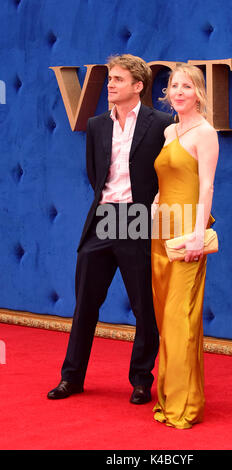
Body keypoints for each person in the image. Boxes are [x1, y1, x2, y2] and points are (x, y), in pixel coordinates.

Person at [47, 54, 173, 404]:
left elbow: (168, 174)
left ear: (138, 86)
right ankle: (71, 378)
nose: (110, 85)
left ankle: (141, 380)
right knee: (85, 303)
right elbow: (95, 173)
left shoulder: (162, 123)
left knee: (143, 308)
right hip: (103, 217)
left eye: (117, 79)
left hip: (137, 218)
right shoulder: (97, 124)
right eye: (109, 79)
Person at [151, 63, 219, 428]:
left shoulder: (205, 133)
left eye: (187, 86)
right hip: (160, 233)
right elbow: (166, 181)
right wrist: (155, 205)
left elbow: (206, 186)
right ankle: (167, 397)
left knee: (181, 320)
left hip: (187, 236)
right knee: (165, 320)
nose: (178, 92)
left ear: (198, 93)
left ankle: (184, 405)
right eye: (174, 86)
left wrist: (197, 234)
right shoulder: (169, 131)